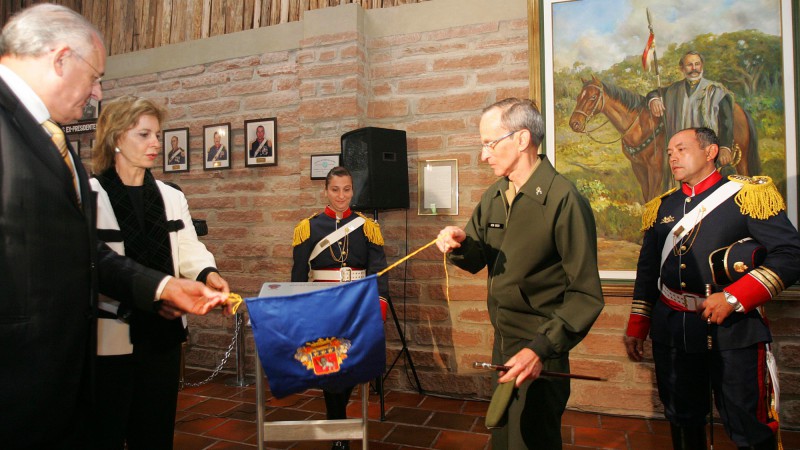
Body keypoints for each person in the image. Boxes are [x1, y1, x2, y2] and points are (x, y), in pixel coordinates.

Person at [0, 4, 227, 448]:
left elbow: (84, 256)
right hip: (52, 360)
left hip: (82, 363)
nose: (97, 91)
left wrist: (169, 286)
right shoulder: (91, 185)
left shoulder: (58, 142)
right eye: (95, 76)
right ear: (61, 58)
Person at [436, 98, 604, 449]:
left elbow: (585, 294)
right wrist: (459, 243)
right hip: (504, 344)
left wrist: (540, 349)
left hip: (540, 351)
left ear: (522, 139)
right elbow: (477, 256)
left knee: (532, 440)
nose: (484, 155)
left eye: (489, 143)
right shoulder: (496, 193)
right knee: (504, 438)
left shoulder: (564, 199)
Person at [624, 127, 800, 450]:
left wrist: (735, 298)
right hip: (674, 333)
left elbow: (790, 255)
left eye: (681, 149)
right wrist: (638, 325)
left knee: (748, 425)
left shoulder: (747, 197)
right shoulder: (662, 207)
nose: (672, 157)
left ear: (710, 152)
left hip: (734, 332)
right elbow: (648, 271)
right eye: (669, 153)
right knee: (681, 418)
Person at [89, 95, 231, 449]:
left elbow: (187, 246)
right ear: (115, 138)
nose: (156, 143)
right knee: (105, 429)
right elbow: (94, 264)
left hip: (163, 333)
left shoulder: (170, 195)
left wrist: (208, 274)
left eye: (157, 134)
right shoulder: (89, 193)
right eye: (144, 134)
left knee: (154, 431)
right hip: (109, 336)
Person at [291, 166, 389, 450]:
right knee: (328, 366)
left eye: (346, 189)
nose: (341, 195)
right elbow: (298, 274)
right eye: (335, 189)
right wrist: (299, 309)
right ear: (325, 191)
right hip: (322, 304)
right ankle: (338, 429)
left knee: (347, 366)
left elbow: (378, 272)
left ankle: (337, 423)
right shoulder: (308, 227)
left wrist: (378, 306)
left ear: (352, 191)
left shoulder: (367, 227)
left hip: (356, 304)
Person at [647, 51, 735, 189]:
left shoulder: (717, 91)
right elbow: (653, 93)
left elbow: (727, 123)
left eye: (697, 64)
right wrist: (654, 99)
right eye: (689, 65)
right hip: (681, 152)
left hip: (705, 150)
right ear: (682, 68)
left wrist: (725, 147)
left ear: (702, 66)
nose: (694, 68)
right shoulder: (673, 90)